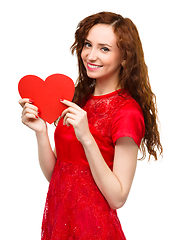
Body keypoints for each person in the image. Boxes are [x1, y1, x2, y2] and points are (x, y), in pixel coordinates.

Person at [19, 12, 163, 240]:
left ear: (125, 57)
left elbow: (117, 198)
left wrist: (87, 137)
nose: (91, 55)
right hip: (59, 221)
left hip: (93, 229)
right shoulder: (77, 100)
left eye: (104, 48)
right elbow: (57, 174)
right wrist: (41, 132)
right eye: (88, 44)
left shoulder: (128, 112)